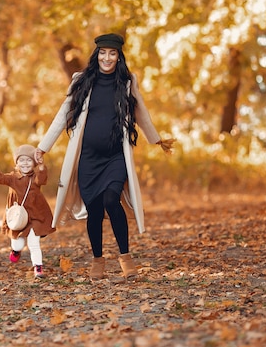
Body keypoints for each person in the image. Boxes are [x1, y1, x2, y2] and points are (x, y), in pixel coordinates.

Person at [34, 33, 174, 281]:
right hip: (88, 159)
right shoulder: (82, 80)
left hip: (115, 157)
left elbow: (141, 112)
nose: (107, 58)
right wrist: (43, 147)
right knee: (95, 210)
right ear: (96, 54)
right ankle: (98, 259)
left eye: (112, 53)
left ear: (119, 56)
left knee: (112, 199)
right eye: (103, 53)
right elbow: (62, 115)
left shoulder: (127, 81)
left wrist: (156, 139)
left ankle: (126, 258)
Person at [0, 144, 56, 278]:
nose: (25, 163)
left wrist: (41, 166)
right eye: (21, 160)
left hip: (35, 216)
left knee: (34, 243)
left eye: (29, 160)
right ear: (16, 163)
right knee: (18, 244)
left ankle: (38, 268)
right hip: (18, 218)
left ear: (33, 163)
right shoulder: (12, 178)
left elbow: (42, 179)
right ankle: (16, 251)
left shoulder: (35, 177)